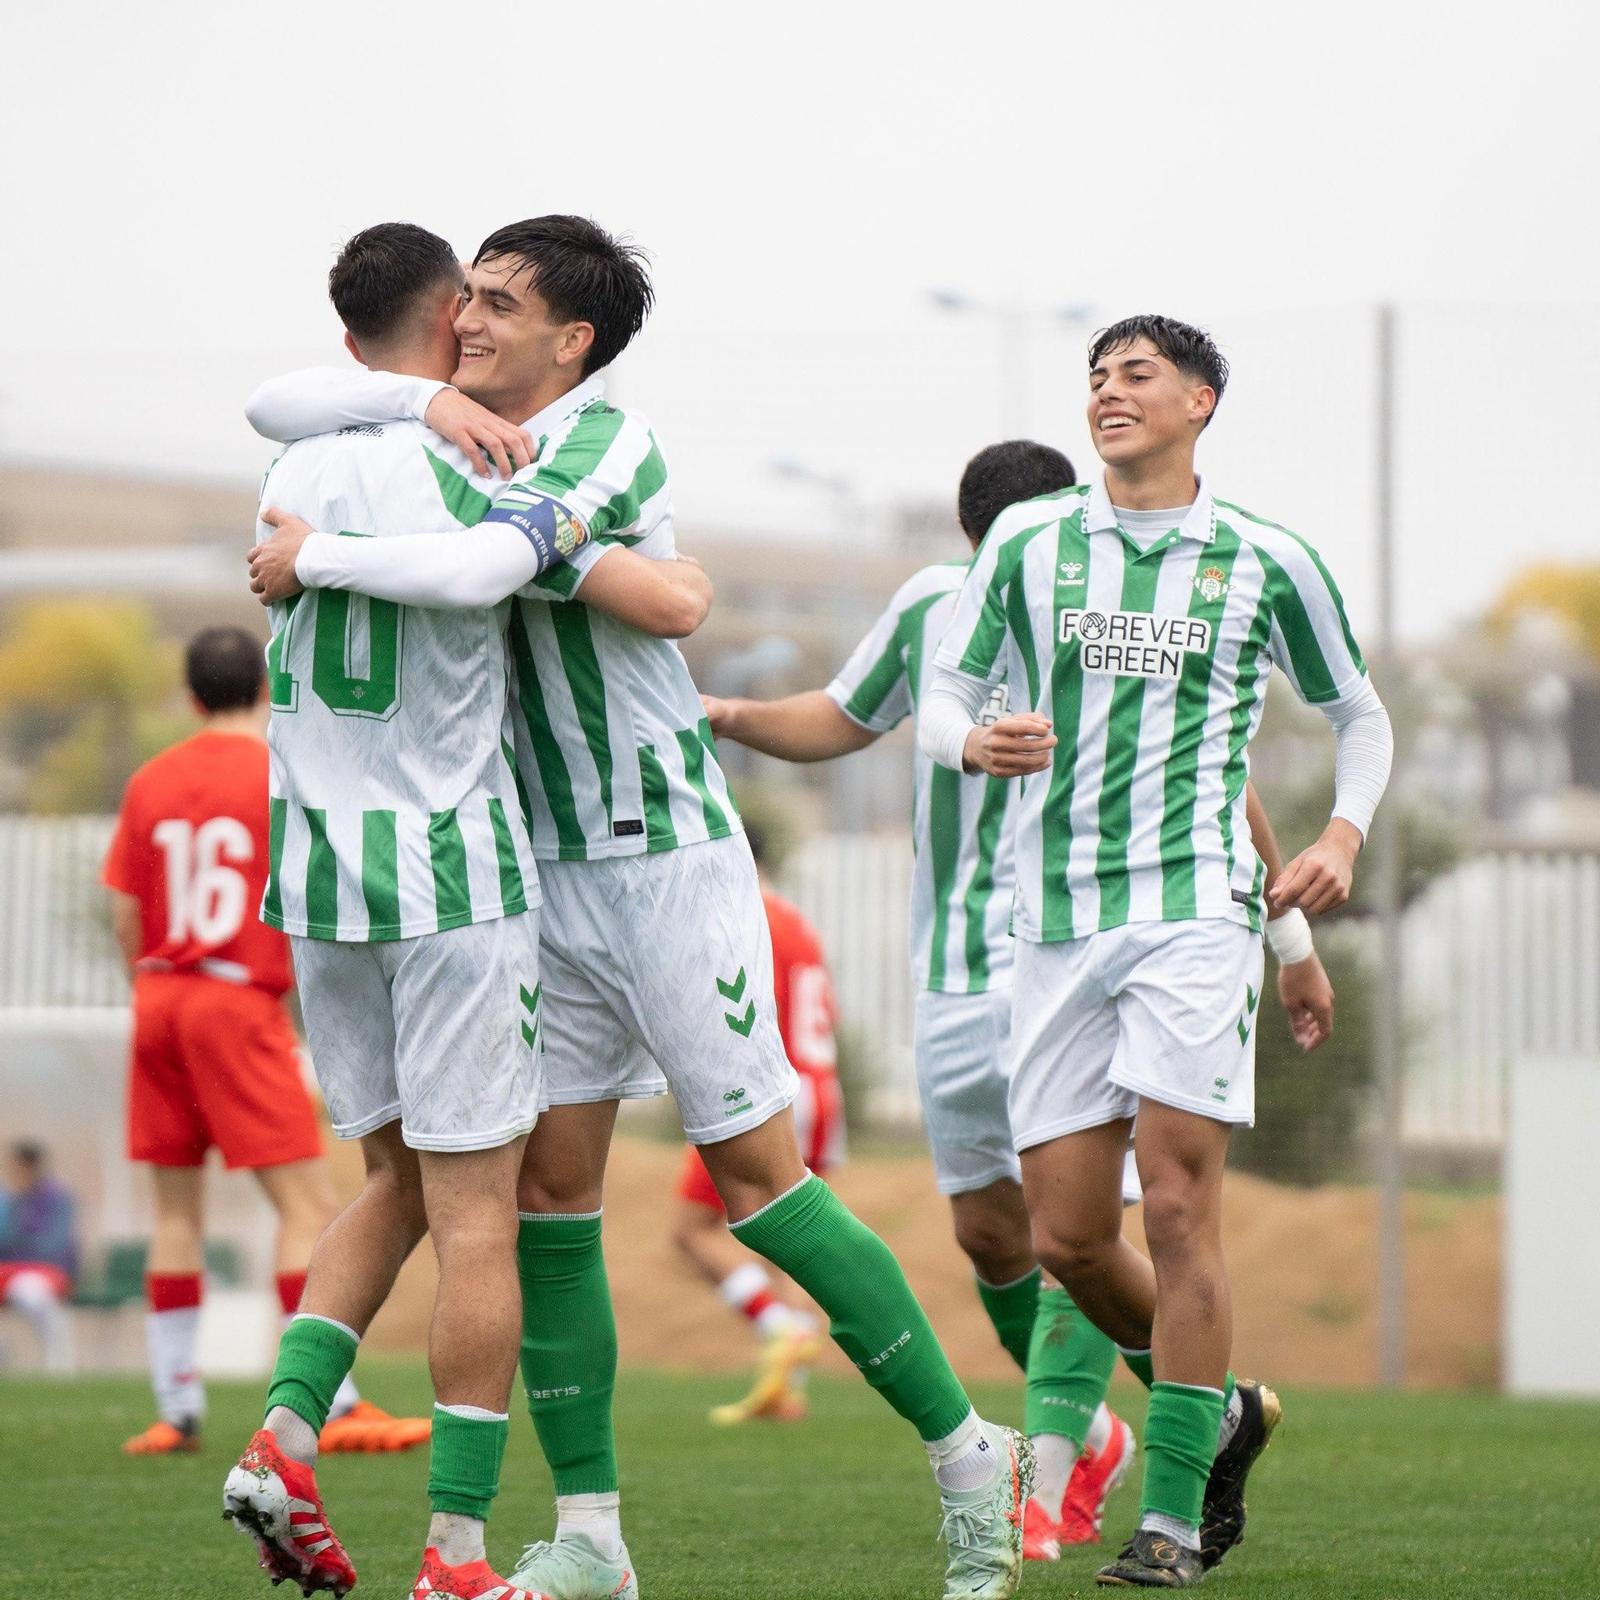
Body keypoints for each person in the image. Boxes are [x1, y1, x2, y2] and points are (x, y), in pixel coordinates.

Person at [247, 215, 1036, 1600]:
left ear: (574, 342)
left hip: (663, 855)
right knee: (550, 1197)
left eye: (499, 304)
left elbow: (521, 568)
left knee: (757, 1185)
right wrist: (625, 561)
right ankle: (593, 1538)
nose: (467, 320)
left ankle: (974, 1458)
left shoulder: (605, 439)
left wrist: (637, 579)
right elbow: (290, 400)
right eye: (465, 299)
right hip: (524, 875)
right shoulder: (451, 437)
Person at [703, 439, 1337, 1560]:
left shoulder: (1123, 612)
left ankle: (1052, 1481)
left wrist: (1288, 938)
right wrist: (724, 715)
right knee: (1000, 1236)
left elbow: (1224, 786)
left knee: (1105, 1217)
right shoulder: (933, 609)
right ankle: (1169, 1417)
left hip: (1085, 944)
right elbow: (844, 716)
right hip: (955, 971)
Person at [229, 219, 719, 1600]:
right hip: (450, 873)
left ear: (349, 337)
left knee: (388, 1181)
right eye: (481, 303)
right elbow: (492, 572)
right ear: (452, 314)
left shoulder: (294, 461)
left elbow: (274, 398)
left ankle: (282, 1435)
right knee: (478, 1219)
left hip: (317, 877)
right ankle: (454, 1553)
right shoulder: (484, 456)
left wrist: (326, 530)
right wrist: (670, 581)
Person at [920, 315, 1392, 1588]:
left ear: (1199, 402)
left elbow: (1358, 714)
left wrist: (1338, 839)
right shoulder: (1028, 541)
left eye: (1137, 374)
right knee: (1068, 1240)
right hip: (1054, 923)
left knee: (1178, 1207)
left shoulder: (1263, 558)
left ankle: (1172, 1518)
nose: (1108, 392)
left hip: (1194, 918)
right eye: (1095, 377)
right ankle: (1218, 1411)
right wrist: (969, 741)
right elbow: (943, 696)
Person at [102, 625, 425, 1459]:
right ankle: (335, 1403)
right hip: (235, 1002)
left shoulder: (150, 780)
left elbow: (124, 912)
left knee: (175, 1213)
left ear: (190, 696)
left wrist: (151, 984)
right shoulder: (280, 772)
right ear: (266, 686)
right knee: (305, 1206)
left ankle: (176, 1410)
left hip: (158, 995)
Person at [672, 816, 842, 1427]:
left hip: (771, 1094)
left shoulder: (745, 917)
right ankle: (786, 1389)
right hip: (821, 1093)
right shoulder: (796, 920)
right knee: (786, 1241)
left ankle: (776, 1326)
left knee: (691, 1231)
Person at [0, 1142, 79, 1372]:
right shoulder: (7, 1200)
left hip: (46, 1271)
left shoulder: (58, 1200)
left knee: (31, 1292)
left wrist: (19, 1242)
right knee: (22, 1286)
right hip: (9, 1270)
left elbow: (54, 1245)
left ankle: (59, 1361)